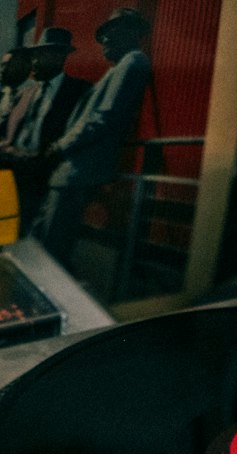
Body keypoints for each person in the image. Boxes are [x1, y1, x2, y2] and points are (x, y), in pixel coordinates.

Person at [31, 8, 152, 270]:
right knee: (42, 241)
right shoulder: (119, 67)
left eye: (112, 31)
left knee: (52, 250)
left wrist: (59, 146)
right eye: (103, 34)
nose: (104, 39)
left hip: (77, 172)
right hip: (69, 172)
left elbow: (102, 117)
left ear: (132, 32)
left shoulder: (133, 61)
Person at [0, 27, 90, 232]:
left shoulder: (79, 91)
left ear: (60, 56)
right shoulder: (24, 94)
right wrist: (9, 151)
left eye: (41, 55)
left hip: (50, 181)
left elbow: (81, 136)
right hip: (17, 178)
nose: (34, 62)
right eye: (33, 55)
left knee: (43, 242)